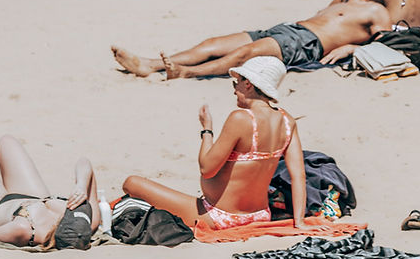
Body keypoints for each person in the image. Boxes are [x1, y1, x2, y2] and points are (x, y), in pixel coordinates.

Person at [111, 0, 390, 78]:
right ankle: (151, 64)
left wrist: (351, 48)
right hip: (289, 30)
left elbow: (389, 46)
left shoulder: (375, 10)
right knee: (213, 44)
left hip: (306, 44)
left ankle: (187, 73)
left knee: (246, 54)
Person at [121, 57, 308, 231]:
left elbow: (207, 168)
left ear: (248, 84)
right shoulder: (287, 121)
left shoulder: (241, 118)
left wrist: (206, 130)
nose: (235, 90)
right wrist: (299, 221)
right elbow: (298, 175)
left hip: (220, 216)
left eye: (237, 83)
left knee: (132, 183)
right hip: (260, 215)